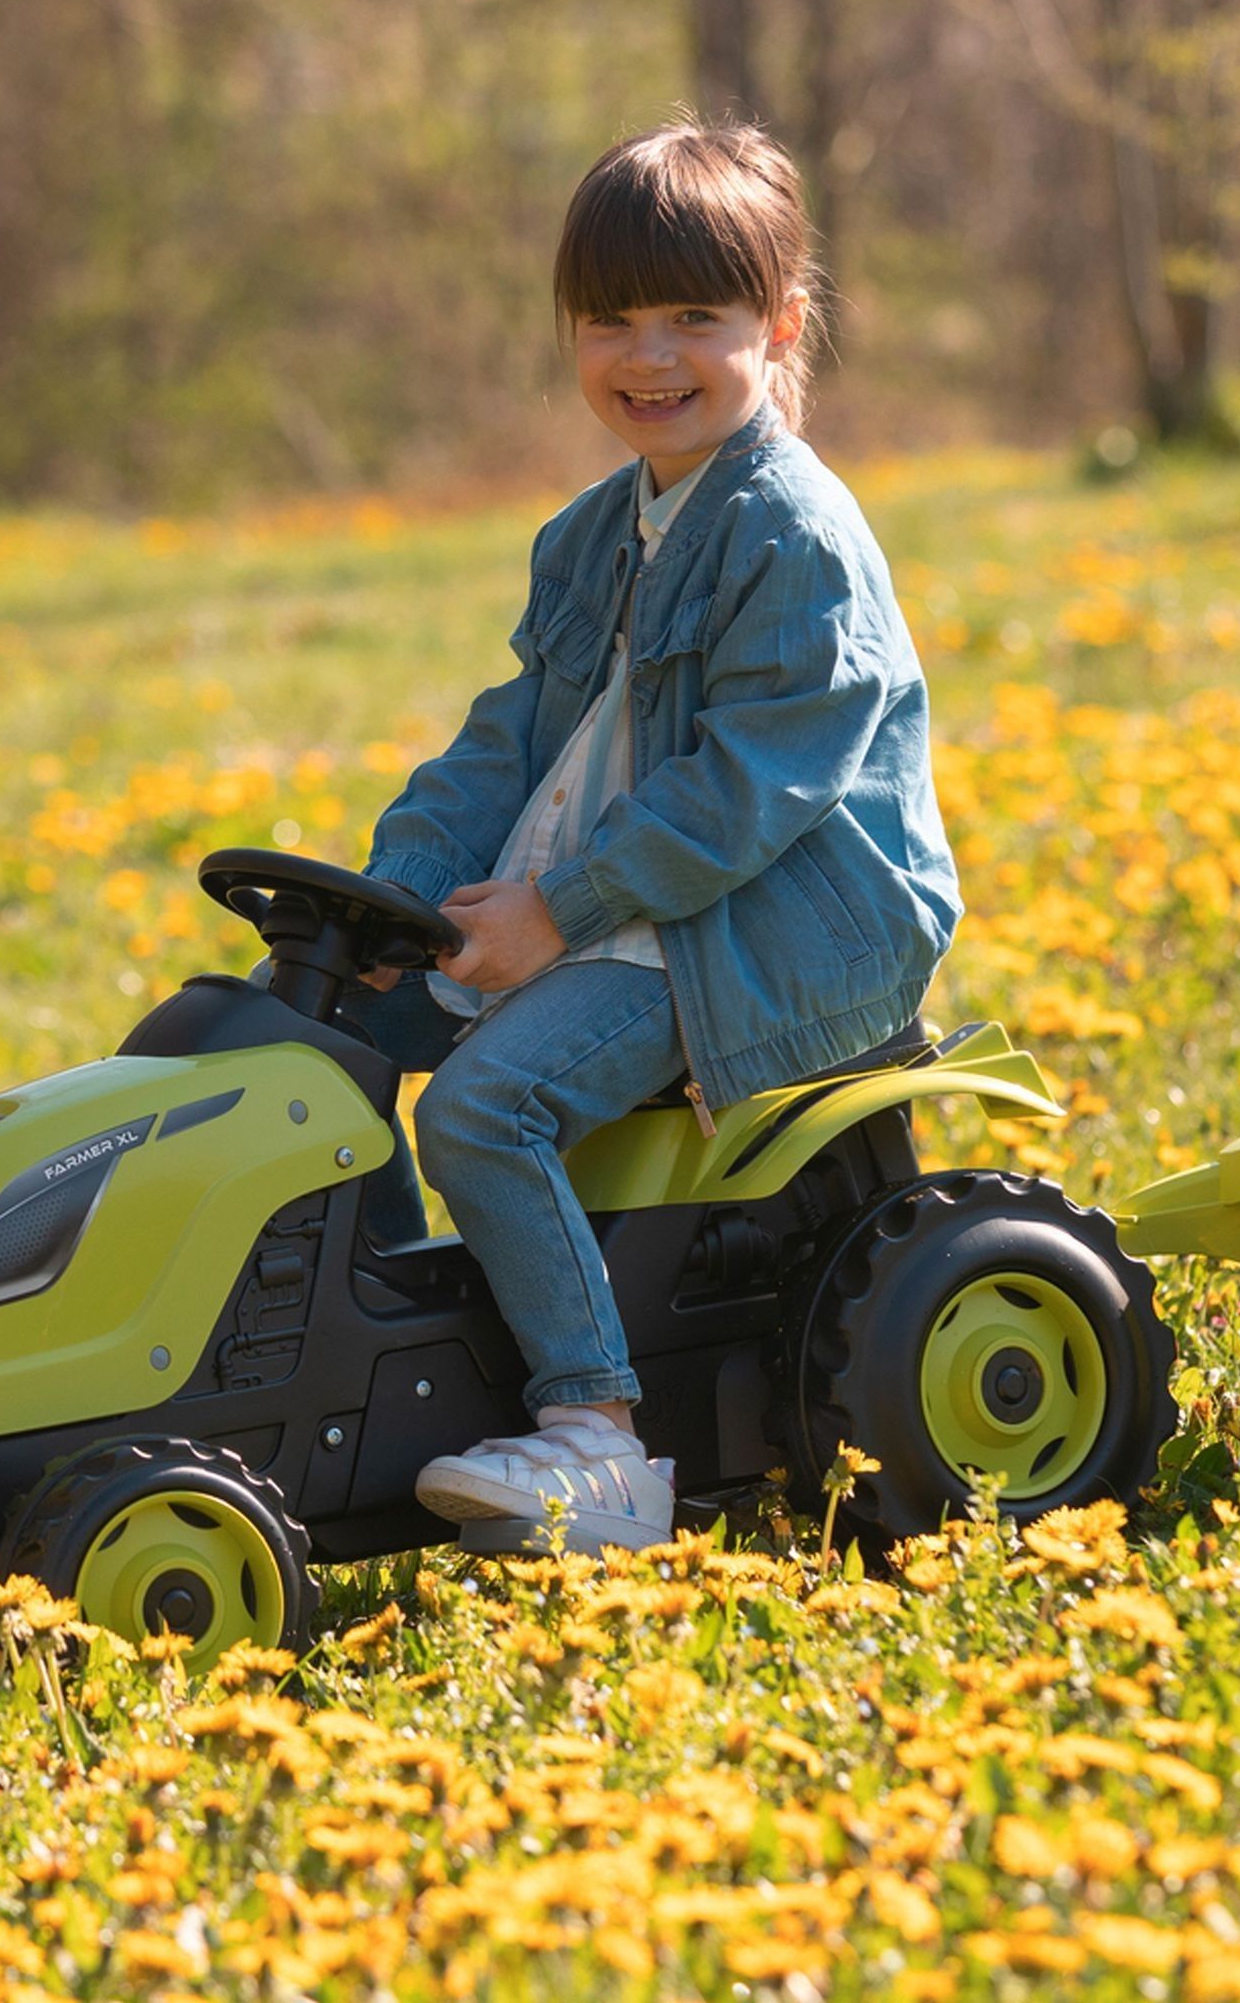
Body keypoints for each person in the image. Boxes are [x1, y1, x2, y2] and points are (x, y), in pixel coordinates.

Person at [355, 118, 961, 1552]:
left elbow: (753, 787)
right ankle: (387, 1357)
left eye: (697, 316)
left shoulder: (793, 533)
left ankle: (597, 1439)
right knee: (332, 1041)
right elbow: (509, 735)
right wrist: (383, 897)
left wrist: (560, 910)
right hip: (621, 896)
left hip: (775, 919)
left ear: (781, 324)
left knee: (482, 1106)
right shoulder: (590, 534)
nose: (652, 355)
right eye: (613, 319)